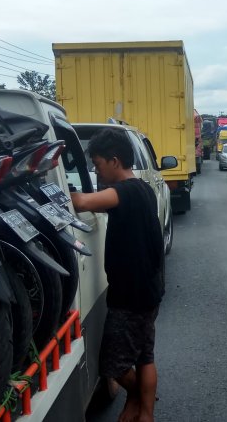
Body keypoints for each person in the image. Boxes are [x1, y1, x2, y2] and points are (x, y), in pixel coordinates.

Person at [71, 128, 164, 422]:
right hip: (148, 289)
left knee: (113, 363)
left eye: (97, 165)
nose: (96, 172)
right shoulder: (143, 189)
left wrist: (59, 192)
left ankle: (137, 400)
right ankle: (144, 413)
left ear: (114, 161)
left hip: (131, 295)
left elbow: (83, 203)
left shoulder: (123, 192)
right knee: (144, 355)